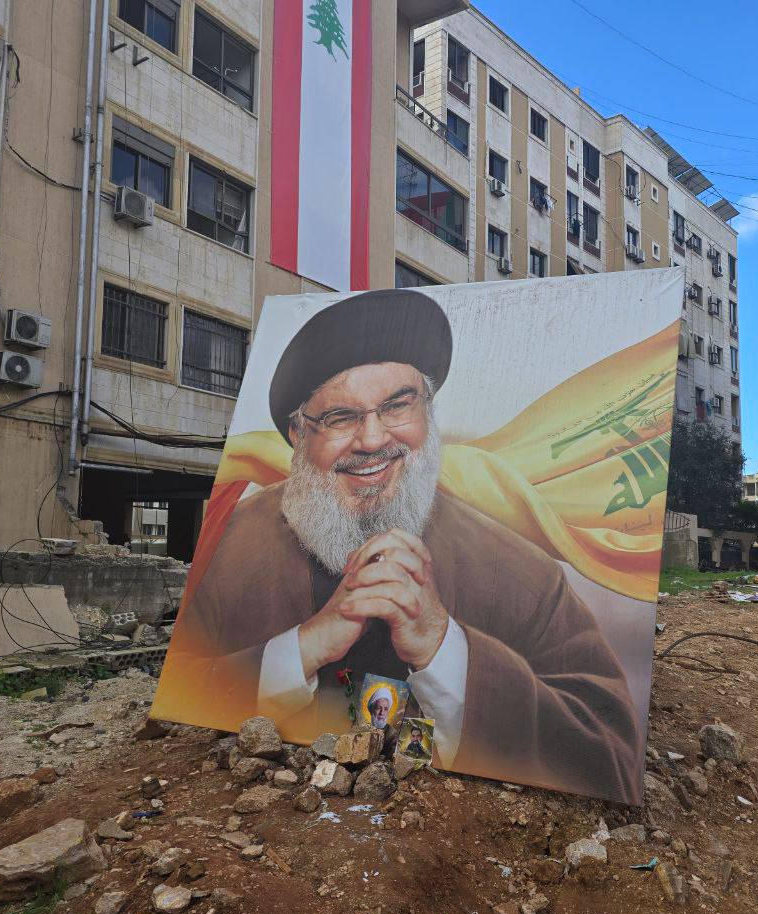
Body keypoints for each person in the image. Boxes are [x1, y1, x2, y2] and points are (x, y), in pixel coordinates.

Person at [161, 289, 643, 804]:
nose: (372, 440)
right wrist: (303, 648)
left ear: (427, 414)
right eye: (340, 417)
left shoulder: (523, 574)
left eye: (397, 406)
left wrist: (443, 647)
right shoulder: (233, 547)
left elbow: (610, 755)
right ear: (299, 434)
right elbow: (179, 701)